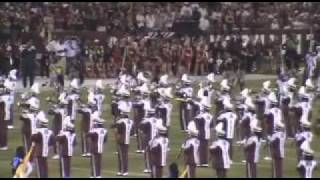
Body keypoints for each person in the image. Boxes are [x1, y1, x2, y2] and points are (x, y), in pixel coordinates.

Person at [111, 105, 133, 176]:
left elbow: (116, 129)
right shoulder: (131, 122)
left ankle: (122, 171)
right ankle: (124, 171)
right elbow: (132, 132)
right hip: (127, 140)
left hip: (121, 140)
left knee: (121, 156)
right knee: (125, 156)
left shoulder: (121, 122)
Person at [31, 111, 54, 178]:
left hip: (39, 153)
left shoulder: (39, 132)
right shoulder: (50, 132)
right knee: (44, 168)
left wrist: (34, 131)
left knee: (39, 170)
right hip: (46, 153)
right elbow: (52, 142)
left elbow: (32, 138)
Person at [87, 113, 108, 178]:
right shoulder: (105, 131)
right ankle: (98, 175)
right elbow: (105, 140)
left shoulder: (95, 131)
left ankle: (94, 175)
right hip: (100, 148)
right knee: (98, 162)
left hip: (94, 148)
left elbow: (87, 135)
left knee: (93, 162)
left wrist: (91, 129)